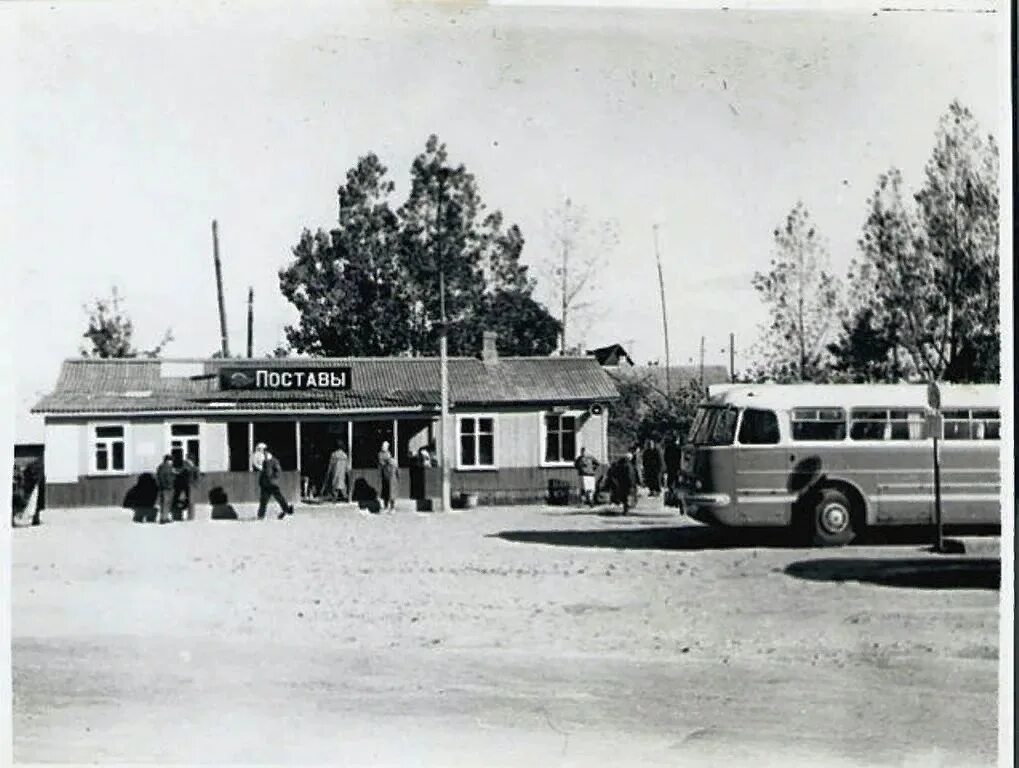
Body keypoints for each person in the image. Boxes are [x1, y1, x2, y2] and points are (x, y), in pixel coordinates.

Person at [257, 447, 294, 520]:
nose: (264, 454)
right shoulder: (264, 462)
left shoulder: (274, 461)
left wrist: (273, 479)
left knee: (279, 498)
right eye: (264, 453)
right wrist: (261, 482)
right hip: (266, 484)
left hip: (272, 484)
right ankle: (261, 515)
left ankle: (287, 511)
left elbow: (278, 471)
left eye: (265, 452)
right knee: (264, 500)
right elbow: (262, 473)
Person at [172, 453, 200, 521]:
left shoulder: (192, 467)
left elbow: (196, 477)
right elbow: (196, 477)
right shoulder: (189, 466)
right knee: (188, 501)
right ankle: (189, 516)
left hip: (187, 486)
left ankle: (188, 516)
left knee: (188, 501)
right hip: (186, 486)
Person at [156, 454, 177, 524]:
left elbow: (160, 477)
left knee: (164, 503)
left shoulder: (161, 467)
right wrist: (173, 476)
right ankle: (164, 518)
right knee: (166, 503)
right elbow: (166, 478)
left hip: (164, 487)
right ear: (168, 461)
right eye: (171, 460)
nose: (172, 462)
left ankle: (164, 517)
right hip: (167, 487)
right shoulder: (166, 467)